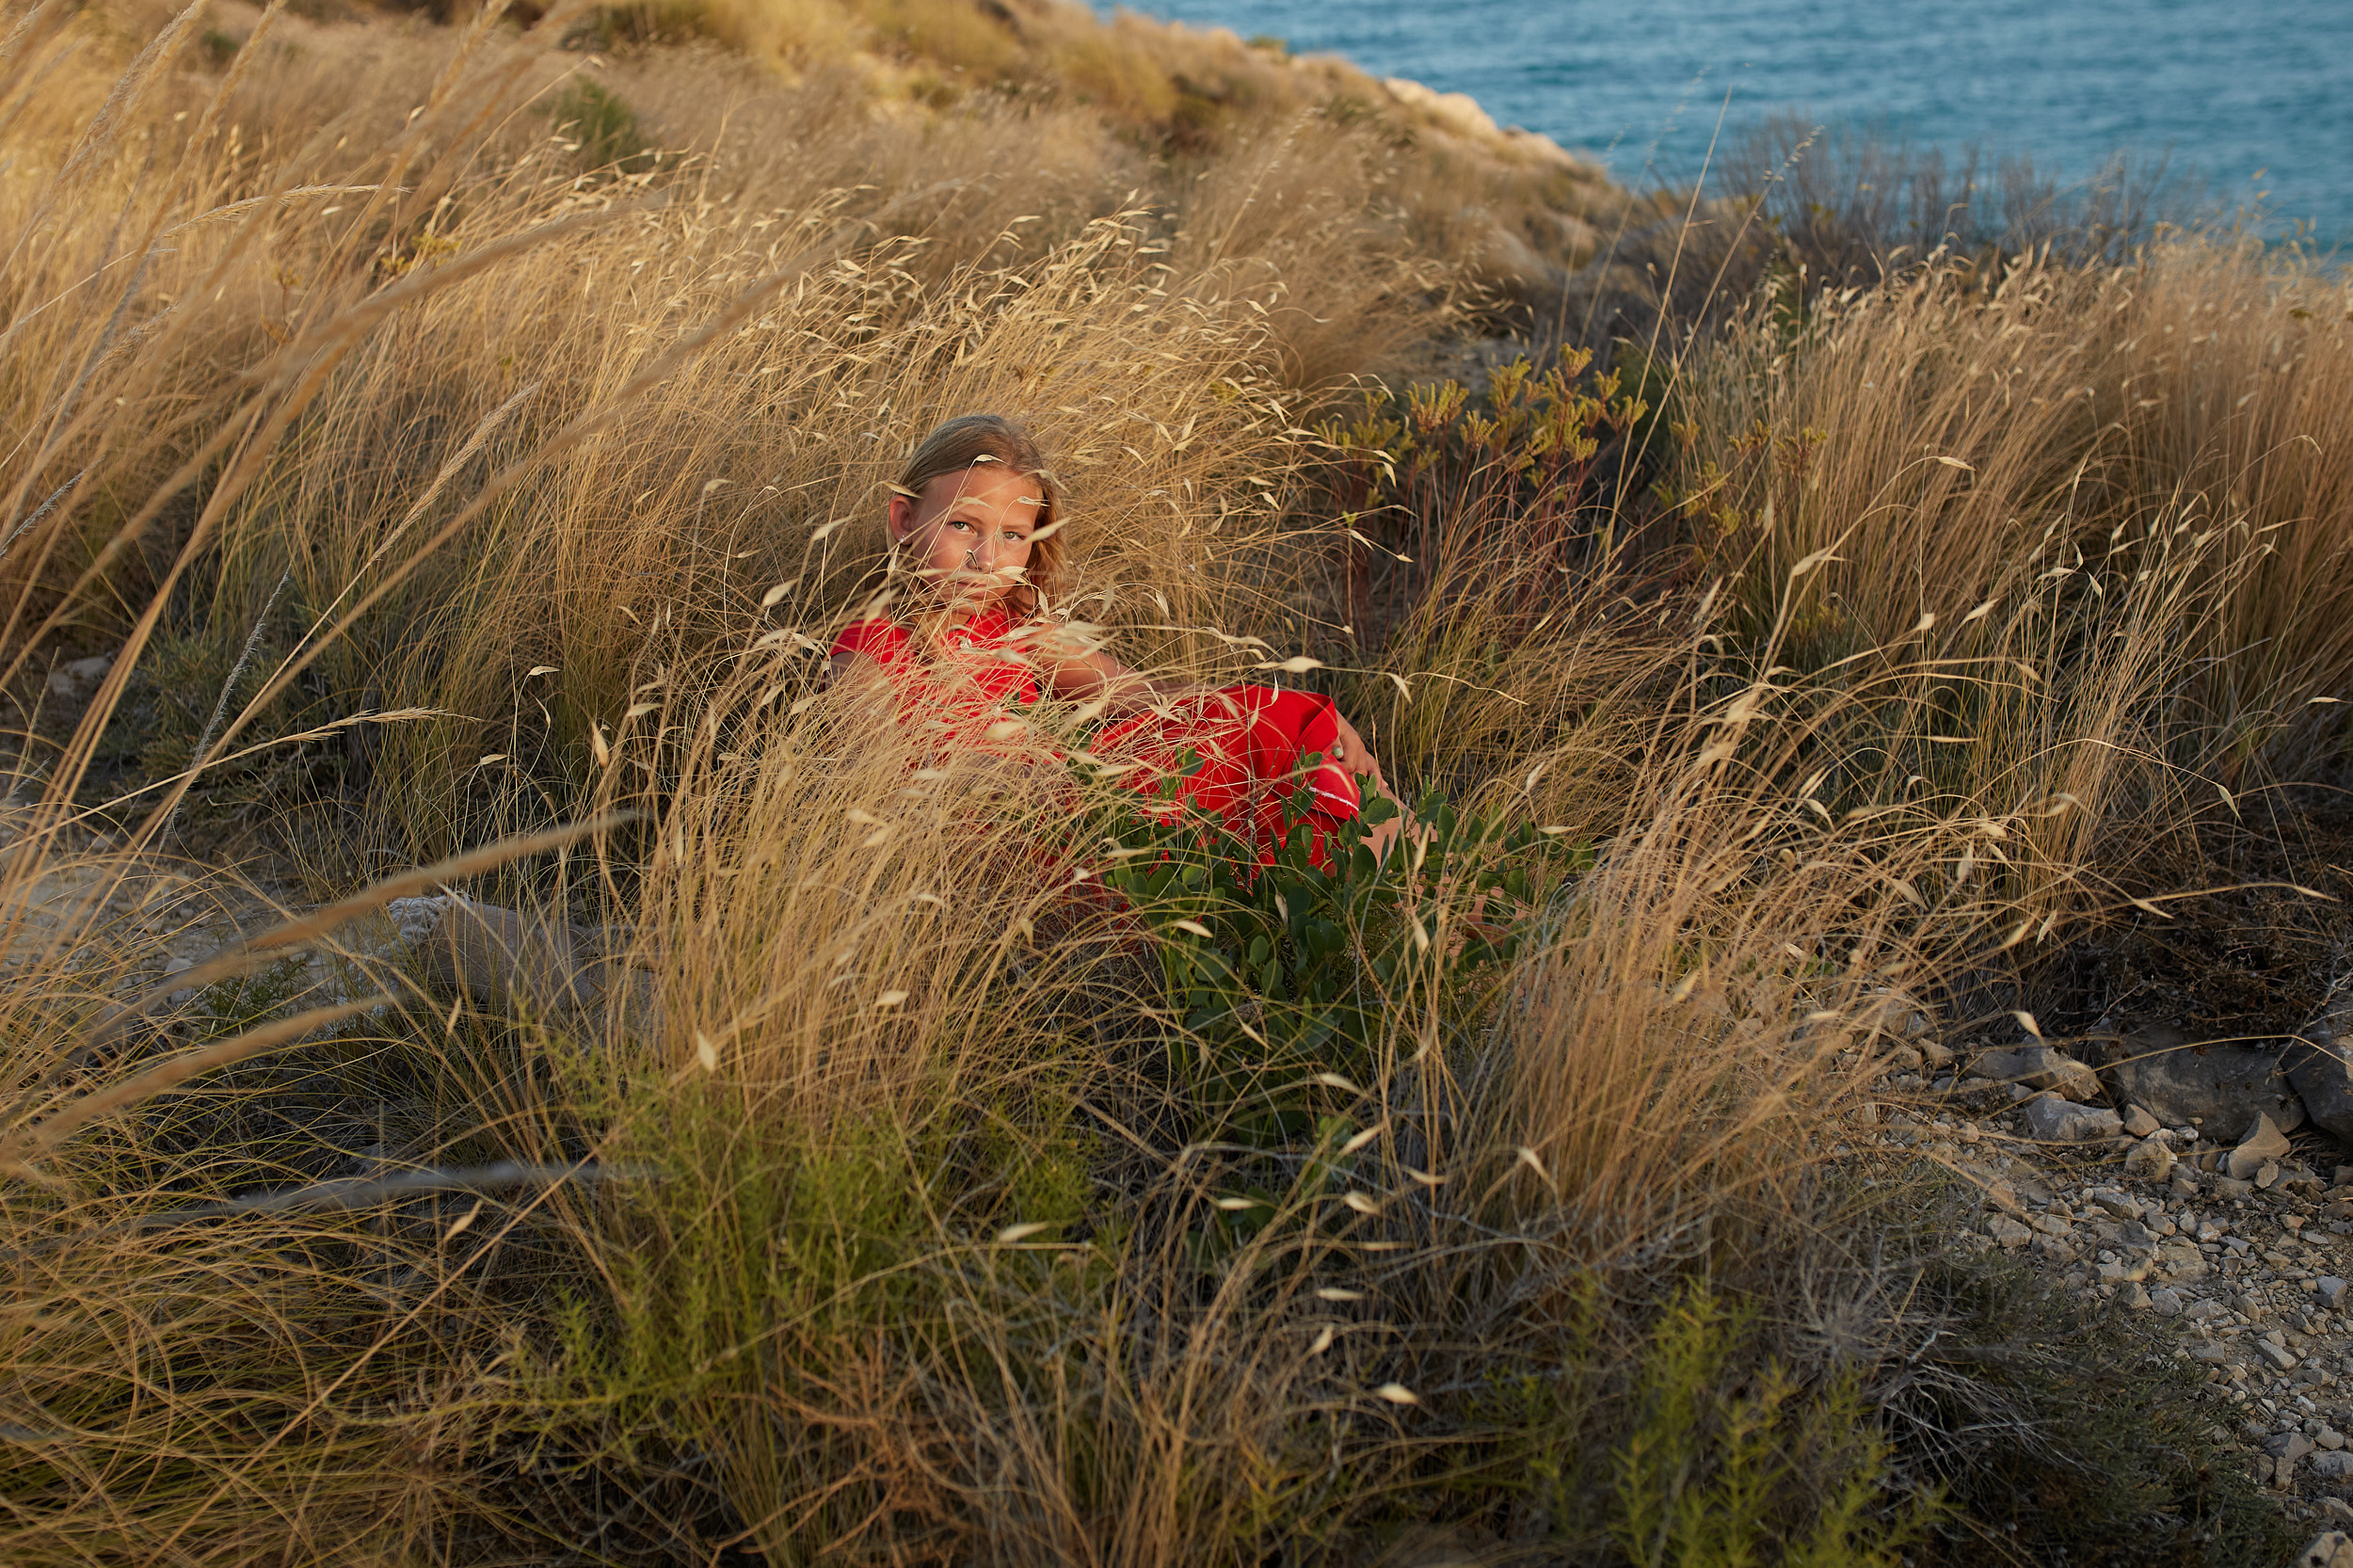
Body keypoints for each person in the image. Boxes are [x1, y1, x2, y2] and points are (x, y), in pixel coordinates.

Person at [825, 413, 1401, 868]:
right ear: (905, 520)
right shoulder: (870, 648)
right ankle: (1409, 898)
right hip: (1012, 841)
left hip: (1080, 803)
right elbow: (872, 783)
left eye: (1013, 536)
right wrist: (998, 776)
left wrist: (1285, 710)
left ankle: (1429, 892)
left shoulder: (1017, 628)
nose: (987, 558)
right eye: (962, 525)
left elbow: (1146, 696)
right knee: (1275, 753)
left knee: (1275, 723)